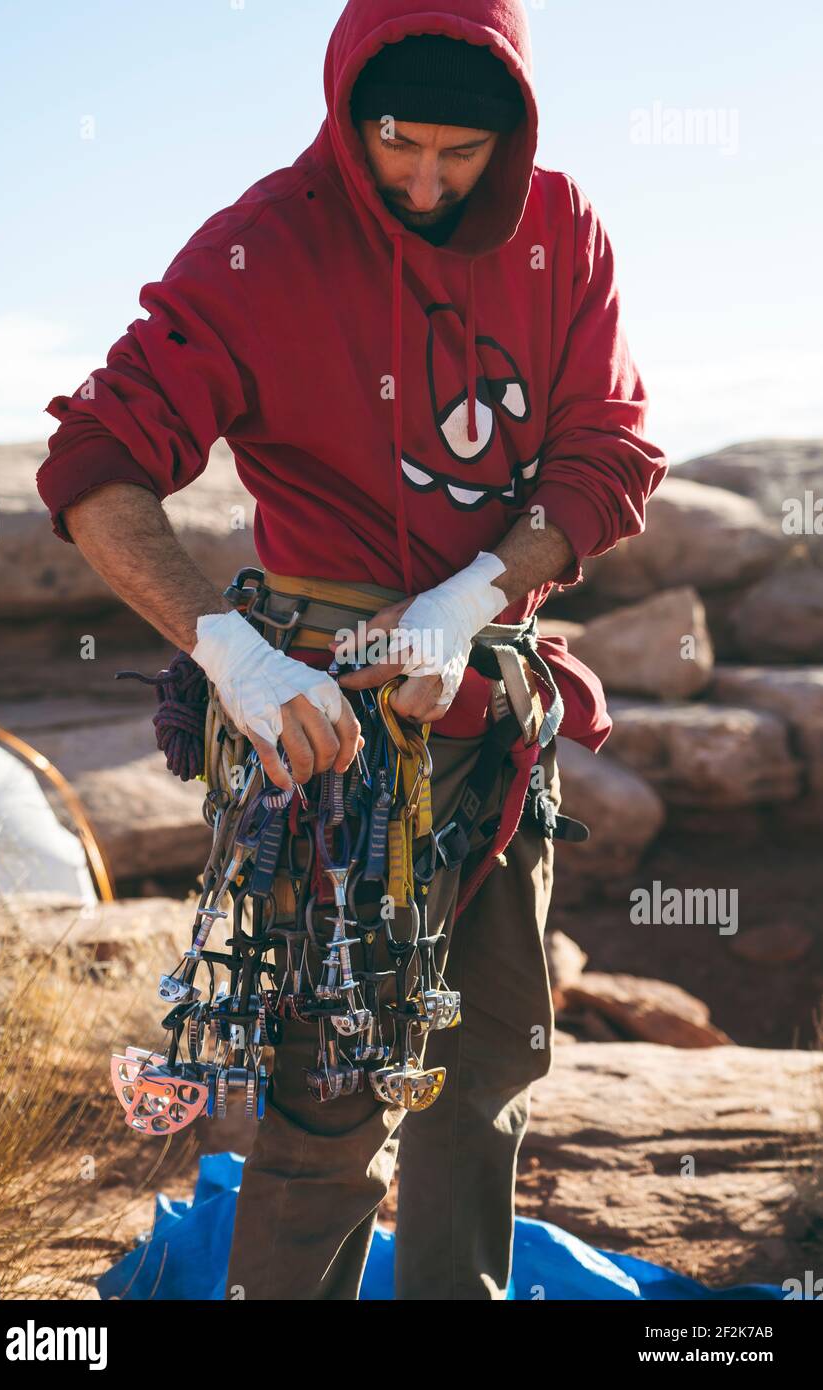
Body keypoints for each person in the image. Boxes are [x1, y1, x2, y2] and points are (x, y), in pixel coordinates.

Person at [36, 0, 667, 1300]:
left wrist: (473, 592)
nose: (427, 183)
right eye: (397, 143)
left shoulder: (563, 231)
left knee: (488, 1065)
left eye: (462, 153)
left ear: (516, 130)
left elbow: (608, 449)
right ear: (345, 108)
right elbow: (96, 466)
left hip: (488, 705)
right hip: (328, 727)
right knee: (332, 1094)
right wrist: (232, 654)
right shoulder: (262, 245)